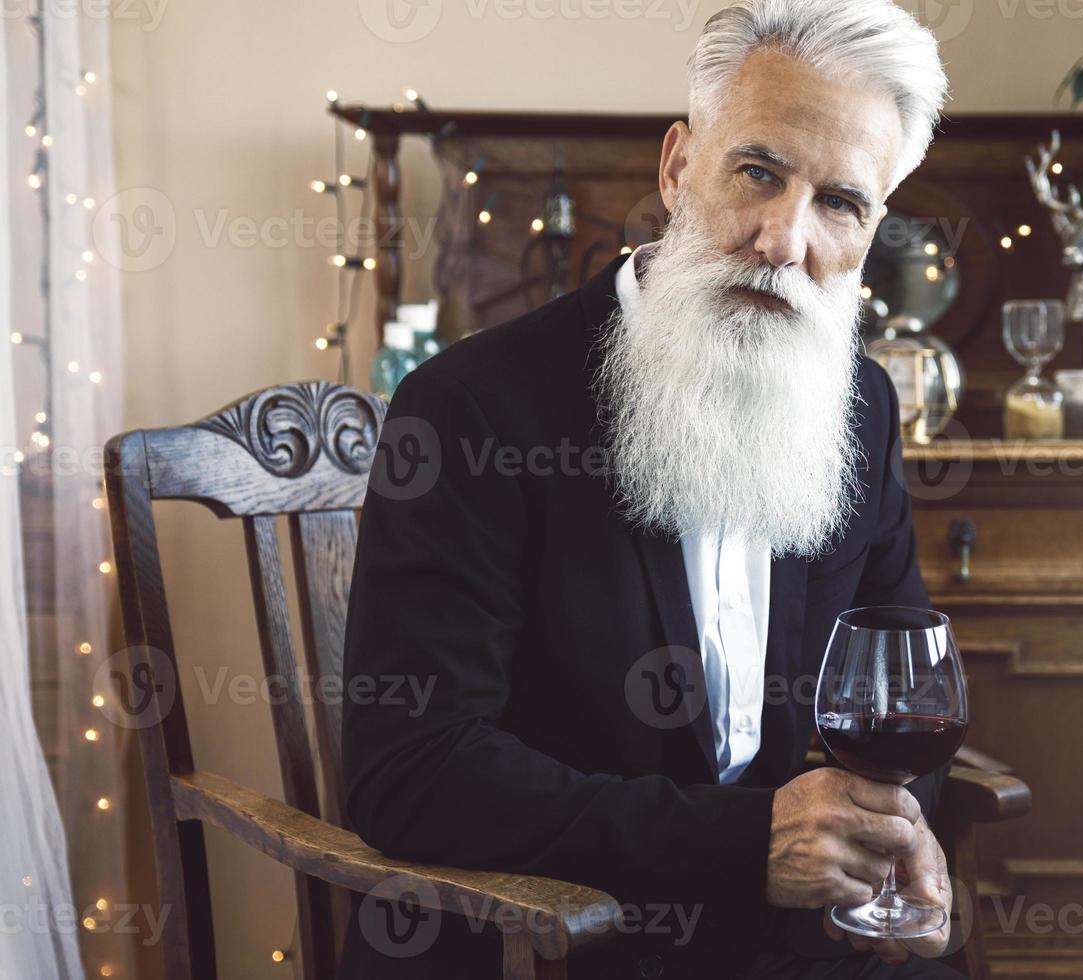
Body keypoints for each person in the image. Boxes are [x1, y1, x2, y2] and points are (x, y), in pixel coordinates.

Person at [339, 1, 961, 976]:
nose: (783, 239)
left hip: (794, 946)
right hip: (546, 943)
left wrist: (910, 825)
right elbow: (412, 770)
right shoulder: (470, 407)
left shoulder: (863, 406)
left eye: (840, 202)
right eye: (759, 171)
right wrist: (743, 839)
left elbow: (906, 681)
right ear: (678, 167)